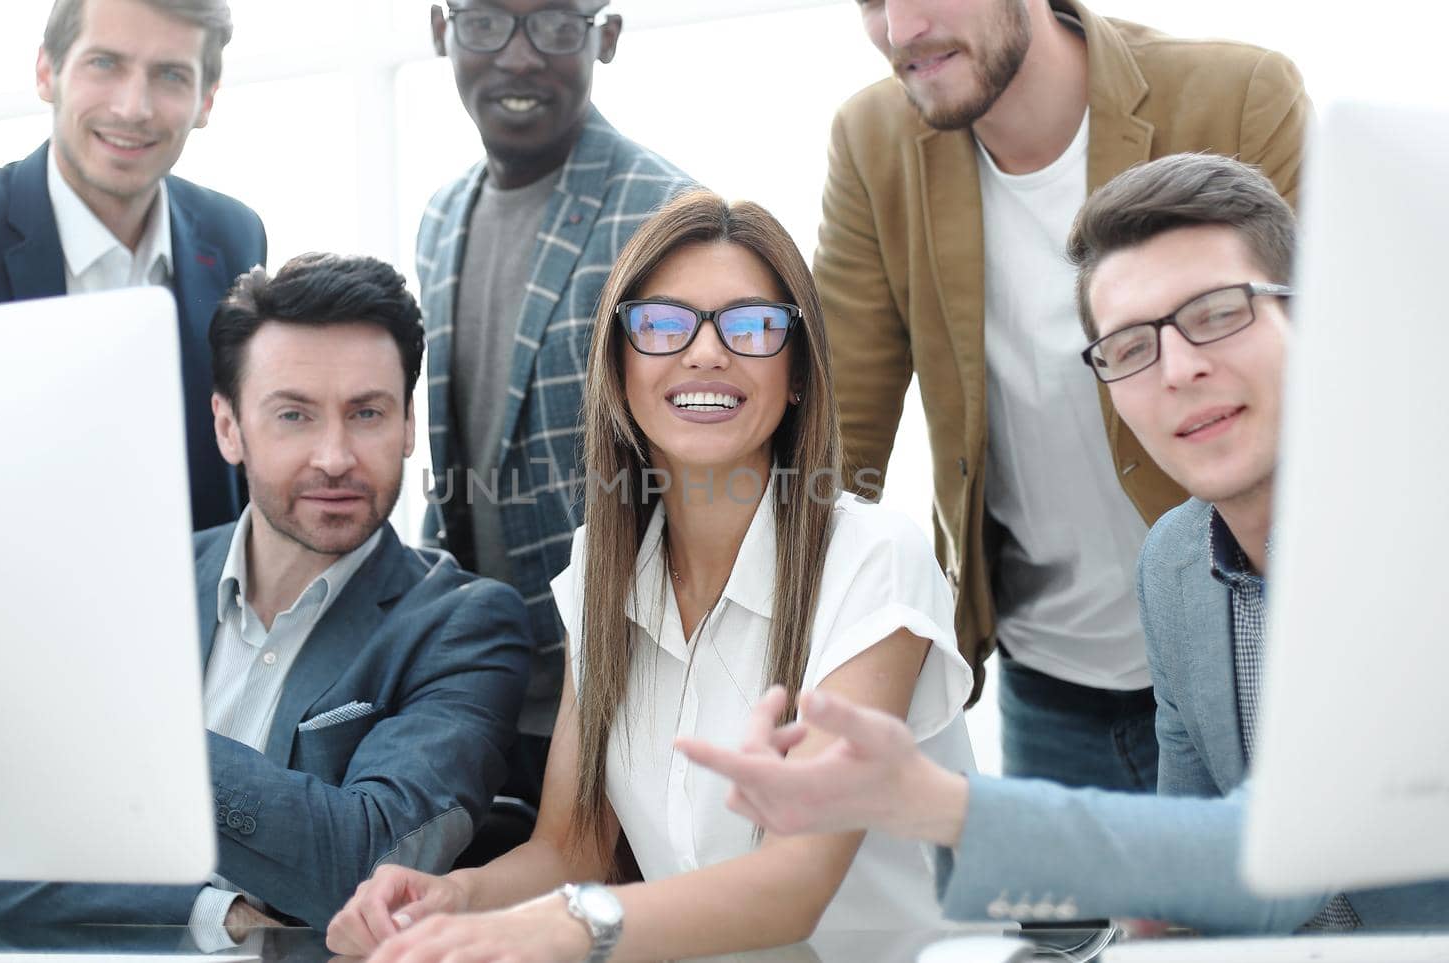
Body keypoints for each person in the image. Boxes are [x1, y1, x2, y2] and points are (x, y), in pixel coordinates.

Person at [680, 155, 1449, 932]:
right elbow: (1179, 891)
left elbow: (1279, 860)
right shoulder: (1176, 564)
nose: (1179, 369)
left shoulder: (1418, 541)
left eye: (1218, 313)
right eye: (1132, 346)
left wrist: (928, 800)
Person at [324, 191, 974, 962]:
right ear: (620, 366)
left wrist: (562, 929)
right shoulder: (601, 564)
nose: (705, 353)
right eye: (663, 325)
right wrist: (451, 895)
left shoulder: (873, 559)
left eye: (751, 326)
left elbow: (796, 884)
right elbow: (572, 847)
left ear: (797, 373)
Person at [0, 254, 533, 941]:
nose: (334, 455)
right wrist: (211, 912)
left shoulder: (465, 623)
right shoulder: (123, 587)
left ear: (409, 425)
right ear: (228, 427)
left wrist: (127, 729)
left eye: (367, 413)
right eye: (294, 414)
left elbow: (365, 861)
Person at [817, 0, 1310, 789]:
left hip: (1264, 649)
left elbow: (1342, 375)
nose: (901, 29)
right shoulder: (872, 140)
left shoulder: (1239, 94)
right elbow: (838, 439)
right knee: (1078, 911)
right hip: (1047, 679)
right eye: (871, 1)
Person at [417, 0, 693, 806]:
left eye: (555, 25)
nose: (520, 56)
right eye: (487, 23)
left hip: (634, 693)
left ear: (605, 39)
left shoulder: (664, 213)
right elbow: (456, 454)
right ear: (442, 29)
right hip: (492, 689)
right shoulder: (442, 215)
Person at [0, 0, 265, 532]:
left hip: (193, 605)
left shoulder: (233, 236)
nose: (133, 106)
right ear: (47, 71)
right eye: (105, 64)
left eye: (170, 75)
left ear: (206, 100)